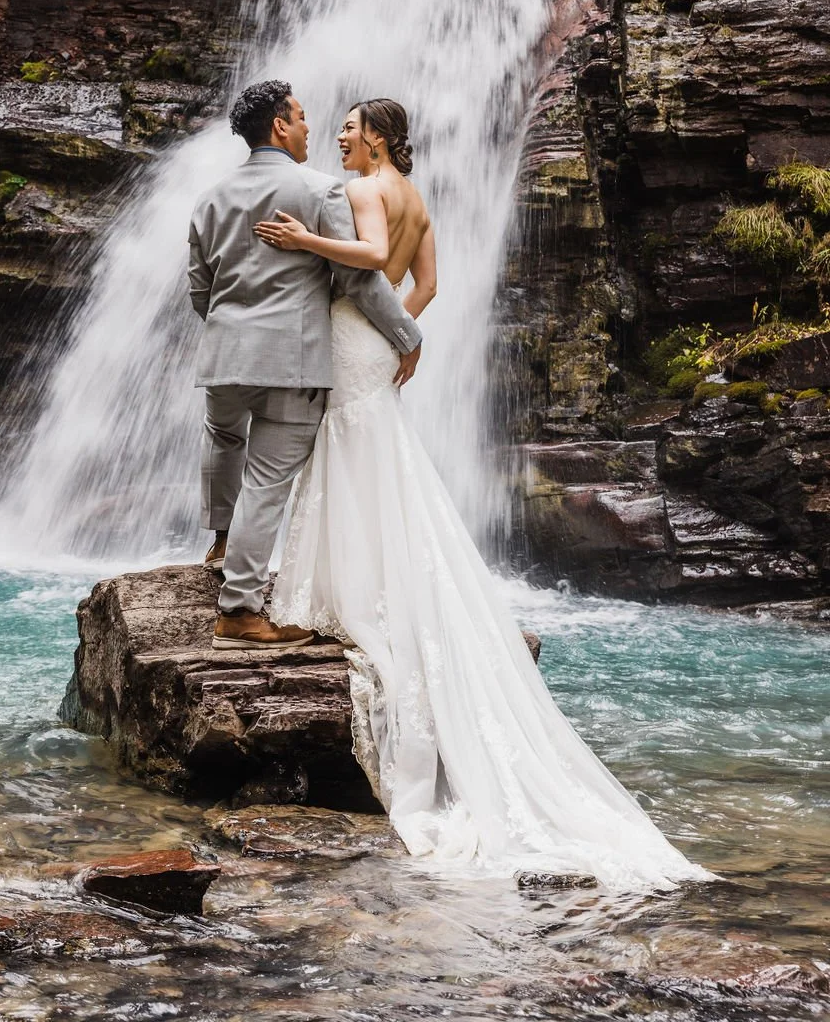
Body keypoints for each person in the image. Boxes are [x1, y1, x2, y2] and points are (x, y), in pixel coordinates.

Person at [254, 96, 713, 892]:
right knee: (381, 460)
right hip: (376, 339)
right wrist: (402, 330)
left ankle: (349, 584)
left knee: (349, 452)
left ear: (382, 138)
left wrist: (302, 239)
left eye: (353, 128)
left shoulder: (365, 189)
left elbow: (363, 255)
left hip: (348, 335)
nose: (341, 136)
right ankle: (381, 572)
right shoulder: (419, 199)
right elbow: (426, 281)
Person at [187, 80, 422, 652]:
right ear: (279, 127)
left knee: (222, 437)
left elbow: (200, 288)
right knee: (267, 482)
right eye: (300, 117)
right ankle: (239, 611)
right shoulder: (320, 191)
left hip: (223, 356)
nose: (311, 128)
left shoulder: (210, 197)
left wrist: (230, 327)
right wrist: (406, 335)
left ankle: (220, 543)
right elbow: (359, 278)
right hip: (290, 363)